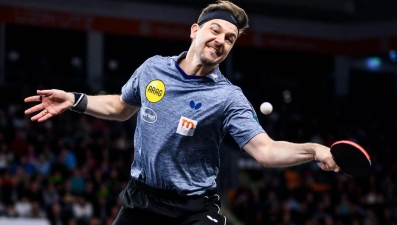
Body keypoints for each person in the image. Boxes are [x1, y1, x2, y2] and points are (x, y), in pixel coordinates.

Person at [24, 1, 339, 224]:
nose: (221, 41)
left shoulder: (228, 98)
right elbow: (120, 108)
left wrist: (313, 149)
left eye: (230, 39)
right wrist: (75, 99)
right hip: (141, 201)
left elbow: (266, 151)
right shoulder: (153, 69)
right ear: (194, 30)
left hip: (192, 210)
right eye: (215, 30)